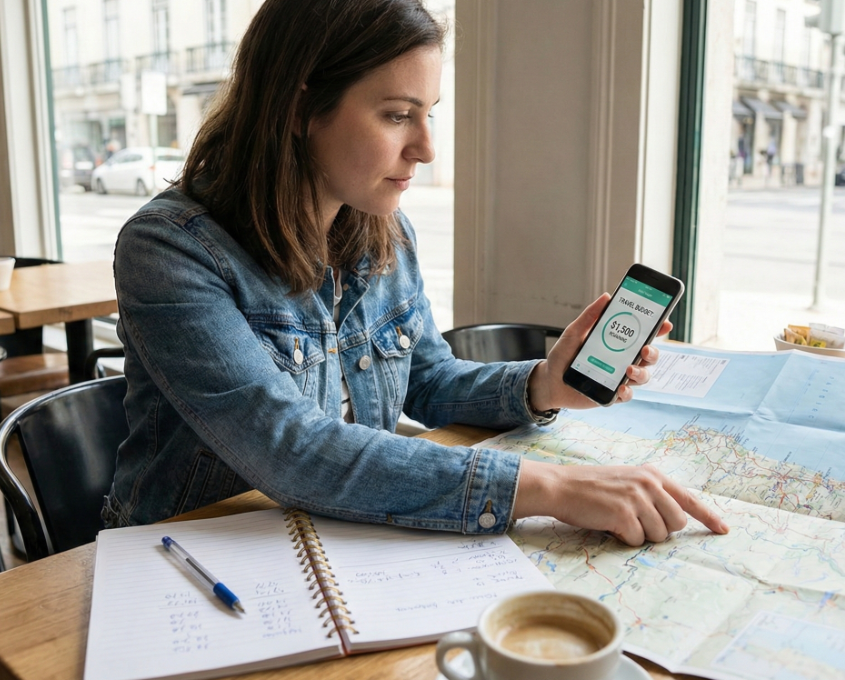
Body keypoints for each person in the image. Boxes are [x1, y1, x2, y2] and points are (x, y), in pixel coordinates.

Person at [105, 0, 728, 547]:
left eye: (428, 111)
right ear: (300, 109)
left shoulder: (381, 226)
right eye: (398, 115)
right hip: (191, 554)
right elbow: (287, 448)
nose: (427, 148)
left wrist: (542, 385)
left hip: (338, 535)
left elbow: (425, 381)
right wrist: (550, 487)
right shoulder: (168, 250)